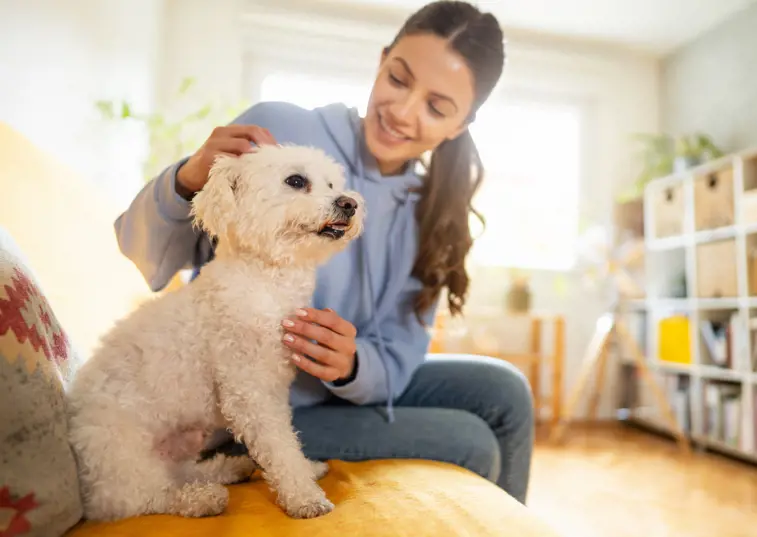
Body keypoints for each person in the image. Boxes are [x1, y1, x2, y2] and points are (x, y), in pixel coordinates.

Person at [114, 0, 534, 504]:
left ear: (460, 126)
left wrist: (353, 364)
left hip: (332, 395)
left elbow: (399, 355)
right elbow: (144, 252)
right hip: (239, 405)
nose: (402, 112)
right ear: (381, 62)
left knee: (505, 391)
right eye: (398, 80)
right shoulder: (279, 130)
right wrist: (188, 179)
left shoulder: (432, 213)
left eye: (436, 107)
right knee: (471, 442)